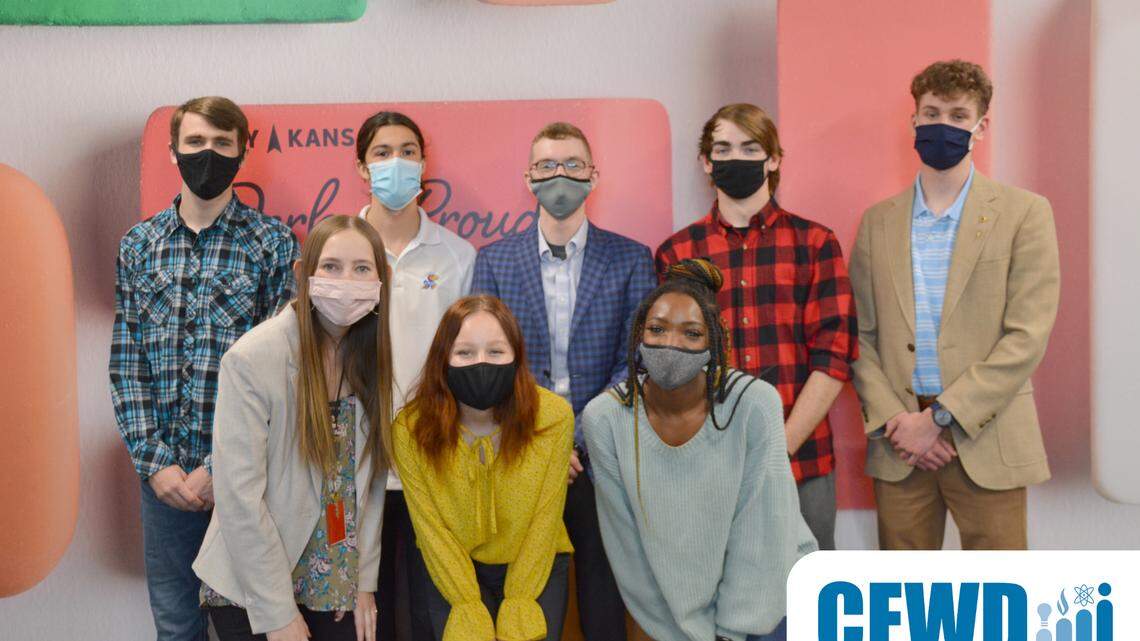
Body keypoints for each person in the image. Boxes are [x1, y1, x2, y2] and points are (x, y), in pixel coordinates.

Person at [109, 96, 299, 641]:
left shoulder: (273, 243)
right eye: (195, 143)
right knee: (175, 623)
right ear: (173, 152)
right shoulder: (139, 245)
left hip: (244, 477)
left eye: (221, 143)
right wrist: (154, 462)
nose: (208, 154)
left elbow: (284, 367)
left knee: (248, 622)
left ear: (243, 151)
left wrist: (223, 466)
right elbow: (127, 361)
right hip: (163, 479)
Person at [849, 59, 1060, 550]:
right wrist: (899, 423)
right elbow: (859, 334)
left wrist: (940, 418)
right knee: (902, 611)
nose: (942, 125)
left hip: (986, 437)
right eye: (932, 112)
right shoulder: (877, 222)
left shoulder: (1025, 213)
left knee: (1000, 605)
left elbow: (1026, 336)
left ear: (981, 126)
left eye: (959, 115)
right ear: (914, 121)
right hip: (900, 443)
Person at [471, 122, 655, 640]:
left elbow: (636, 361)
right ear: (529, 177)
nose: (560, 175)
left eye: (573, 164)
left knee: (602, 592)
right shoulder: (495, 260)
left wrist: (578, 438)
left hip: (600, 459)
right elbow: (485, 363)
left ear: (593, 176)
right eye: (548, 165)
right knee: (524, 592)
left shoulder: (631, 258)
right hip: (521, 451)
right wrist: (543, 438)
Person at [655, 104, 858, 551]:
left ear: (774, 160)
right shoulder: (678, 254)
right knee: (723, 607)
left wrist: (778, 448)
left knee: (810, 602)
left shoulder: (816, 244)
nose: (736, 158)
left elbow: (834, 355)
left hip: (801, 461)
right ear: (706, 162)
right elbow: (672, 365)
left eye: (750, 148)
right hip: (710, 465)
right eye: (723, 148)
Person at [582, 258, 816, 641]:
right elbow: (628, 551)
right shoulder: (605, 418)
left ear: (714, 341)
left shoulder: (754, 405)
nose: (671, 344)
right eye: (657, 329)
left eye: (691, 334)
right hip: (678, 624)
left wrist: (730, 633)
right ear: (639, 331)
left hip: (772, 605)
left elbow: (761, 536)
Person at [193, 215, 394, 640]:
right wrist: (278, 614)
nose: (346, 280)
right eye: (332, 267)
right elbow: (239, 498)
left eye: (362, 269)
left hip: (333, 574)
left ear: (381, 280)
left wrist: (362, 582)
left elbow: (369, 484)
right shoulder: (253, 358)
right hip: (254, 584)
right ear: (305, 275)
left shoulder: (370, 357)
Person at [354, 110, 475, 641]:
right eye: (382, 153)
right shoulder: (337, 251)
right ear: (362, 168)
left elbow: (471, 357)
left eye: (407, 151)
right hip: (356, 454)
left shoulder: (456, 255)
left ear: (424, 164)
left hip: (435, 454)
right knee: (362, 608)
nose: (396, 162)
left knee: (433, 608)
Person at [394, 295, 574, 641]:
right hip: (450, 566)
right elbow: (431, 529)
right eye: (464, 352)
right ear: (442, 359)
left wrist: (520, 598)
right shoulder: (410, 429)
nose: (481, 363)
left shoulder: (554, 417)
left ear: (516, 357)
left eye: (495, 352)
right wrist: (465, 602)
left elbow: (545, 519)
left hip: (535, 562)